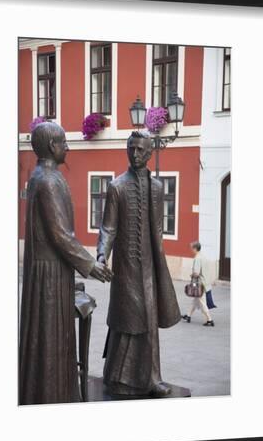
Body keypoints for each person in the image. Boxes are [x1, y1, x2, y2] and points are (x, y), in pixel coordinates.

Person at [19, 122, 113, 405]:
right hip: (50, 272)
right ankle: (51, 394)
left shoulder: (48, 177)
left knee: (55, 338)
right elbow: (61, 234)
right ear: (51, 147)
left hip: (55, 269)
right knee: (50, 337)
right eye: (63, 142)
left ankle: (57, 390)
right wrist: (90, 265)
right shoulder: (47, 180)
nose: (68, 147)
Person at [97, 130, 181, 398]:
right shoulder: (117, 187)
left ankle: (151, 378)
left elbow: (157, 229)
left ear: (150, 153)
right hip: (127, 268)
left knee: (150, 320)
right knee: (128, 319)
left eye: (140, 150)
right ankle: (118, 376)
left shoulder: (157, 188)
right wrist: (102, 255)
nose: (135, 154)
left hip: (151, 267)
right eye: (131, 148)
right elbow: (108, 228)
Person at [182, 241, 215, 327]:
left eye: (192, 248)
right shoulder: (203, 256)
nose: (191, 250)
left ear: (195, 248)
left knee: (202, 302)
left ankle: (210, 320)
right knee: (195, 300)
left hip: (200, 284)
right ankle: (188, 316)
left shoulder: (197, 258)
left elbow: (196, 273)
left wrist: (191, 275)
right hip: (205, 282)